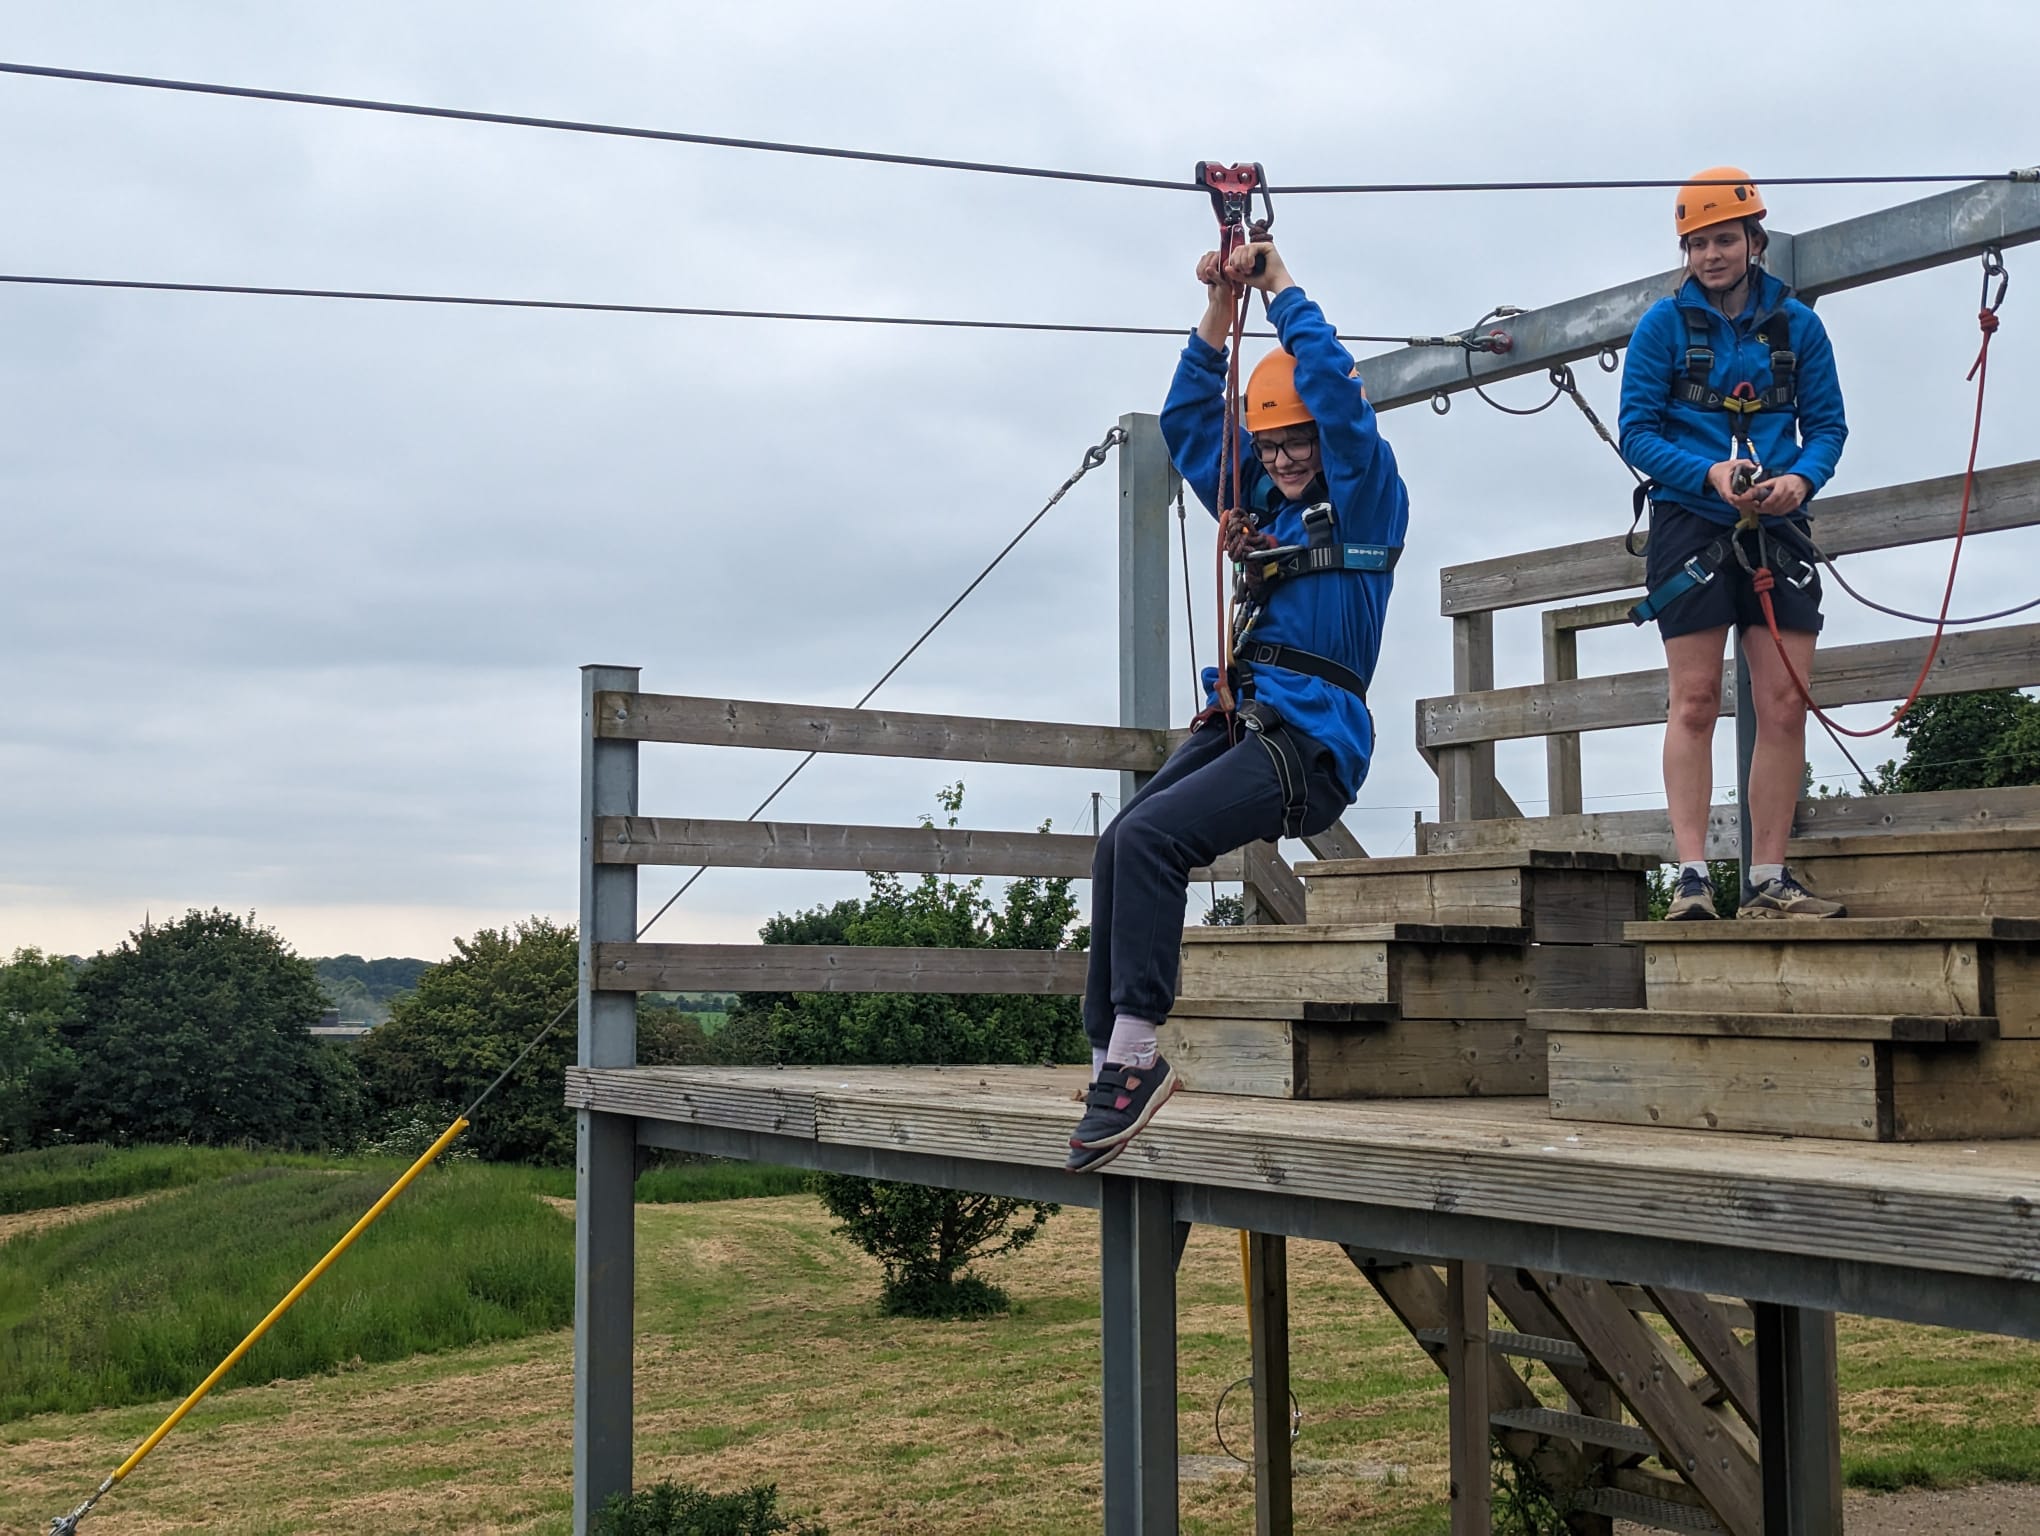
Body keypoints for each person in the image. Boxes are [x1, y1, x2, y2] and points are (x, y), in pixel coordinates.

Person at [1066, 237, 1410, 1172]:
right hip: (1246, 716)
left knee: (1151, 841)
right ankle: (1108, 1057)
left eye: (1298, 441)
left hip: (1311, 736)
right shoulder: (1263, 497)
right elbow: (1188, 420)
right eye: (1271, 445)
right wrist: (1221, 310)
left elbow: (1337, 393)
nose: (1287, 458)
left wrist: (1279, 286)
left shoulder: (1366, 495)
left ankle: (1136, 1057)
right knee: (1120, 844)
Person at [1618, 167, 1850, 921]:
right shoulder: (1662, 327)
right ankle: (1692, 878)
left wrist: (1800, 481)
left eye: (1723, 240)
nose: (1710, 256)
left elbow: (1828, 427)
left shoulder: (1798, 327)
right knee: (1694, 699)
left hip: (1778, 526)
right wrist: (1709, 472)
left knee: (1784, 703)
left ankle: (1769, 879)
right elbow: (1636, 433)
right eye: (1697, 244)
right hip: (1691, 521)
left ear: (1755, 240)